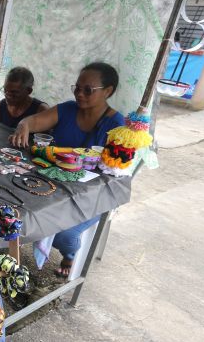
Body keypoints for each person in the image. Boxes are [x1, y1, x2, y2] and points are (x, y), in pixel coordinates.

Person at [10, 62, 125, 277]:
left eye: (88, 90)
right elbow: (33, 121)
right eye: (77, 88)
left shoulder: (116, 125)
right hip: (53, 184)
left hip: (90, 195)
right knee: (16, 207)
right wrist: (23, 126)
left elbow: (112, 175)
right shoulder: (67, 109)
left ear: (108, 91)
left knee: (64, 234)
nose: (79, 94)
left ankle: (69, 254)